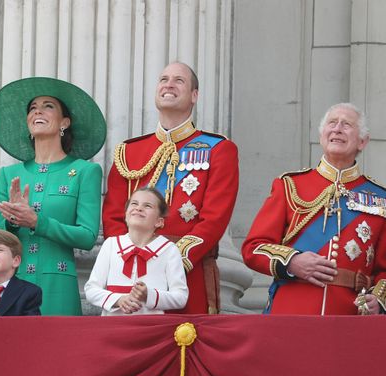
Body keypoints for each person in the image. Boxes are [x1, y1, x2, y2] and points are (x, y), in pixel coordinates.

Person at [102, 62, 239, 314]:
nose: (169, 84)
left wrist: (171, 260)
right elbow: (113, 215)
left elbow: (215, 219)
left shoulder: (218, 149)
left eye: (179, 80)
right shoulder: (129, 152)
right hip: (131, 272)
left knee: (185, 348)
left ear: (194, 95)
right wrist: (129, 257)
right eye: (164, 79)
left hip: (188, 271)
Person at [242, 103, 386, 315]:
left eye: (347, 125)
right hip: (291, 311)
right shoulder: (290, 185)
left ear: (362, 141)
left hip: (348, 317)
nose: (337, 128)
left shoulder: (380, 198)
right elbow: (253, 247)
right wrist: (292, 262)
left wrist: (379, 300)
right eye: (332, 123)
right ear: (322, 136)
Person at [0, 77, 106, 316]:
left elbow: (87, 236)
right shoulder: (10, 174)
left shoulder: (85, 171)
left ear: (65, 122)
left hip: (58, 287)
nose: (38, 111)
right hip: (14, 284)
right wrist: (12, 219)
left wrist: (37, 222)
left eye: (48, 106)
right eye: (33, 108)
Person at [85, 187, 188, 315]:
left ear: (159, 221)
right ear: (126, 215)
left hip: (150, 327)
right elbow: (91, 289)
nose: (139, 208)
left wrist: (149, 295)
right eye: (134, 203)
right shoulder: (111, 245)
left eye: (148, 206)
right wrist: (119, 300)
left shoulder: (169, 250)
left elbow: (181, 297)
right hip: (113, 326)